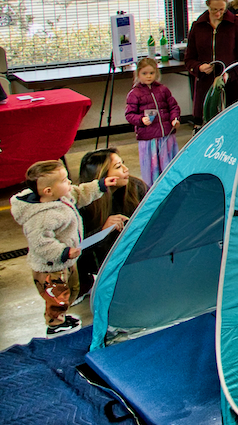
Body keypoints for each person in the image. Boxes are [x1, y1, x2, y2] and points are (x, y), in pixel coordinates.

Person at [11, 161, 121, 335]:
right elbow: (41, 243)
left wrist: (99, 186)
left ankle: (62, 316)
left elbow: (79, 193)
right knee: (56, 296)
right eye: (64, 180)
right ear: (48, 191)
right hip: (50, 267)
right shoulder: (41, 217)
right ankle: (55, 324)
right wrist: (63, 252)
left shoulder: (62, 196)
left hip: (66, 261)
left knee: (71, 290)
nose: (69, 182)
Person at [76, 148, 147, 290]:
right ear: (102, 176)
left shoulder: (135, 187)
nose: (126, 169)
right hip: (99, 264)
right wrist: (102, 231)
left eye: (123, 164)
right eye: (118, 167)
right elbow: (76, 249)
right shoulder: (82, 203)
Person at [185, 0, 238, 122]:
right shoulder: (198, 26)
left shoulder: (234, 24)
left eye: (221, 9)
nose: (218, 13)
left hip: (233, 87)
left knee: (235, 126)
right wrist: (199, 67)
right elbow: (189, 59)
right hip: (206, 88)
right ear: (207, 5)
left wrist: (229, 74)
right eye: (214, 9)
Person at [123, 57, 181, 185]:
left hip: (166, 135)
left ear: (156, 73)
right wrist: (141, 120)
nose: (148, 76)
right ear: (138, 74)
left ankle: (170, 185)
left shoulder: (163, 89)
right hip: (149, 139)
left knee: (168, 164)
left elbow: (173, 107)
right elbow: (129, 114)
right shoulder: (134, 93)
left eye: (151, 73)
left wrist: (174, 119)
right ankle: (152, 188)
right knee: (152, 167)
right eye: (144, 73)